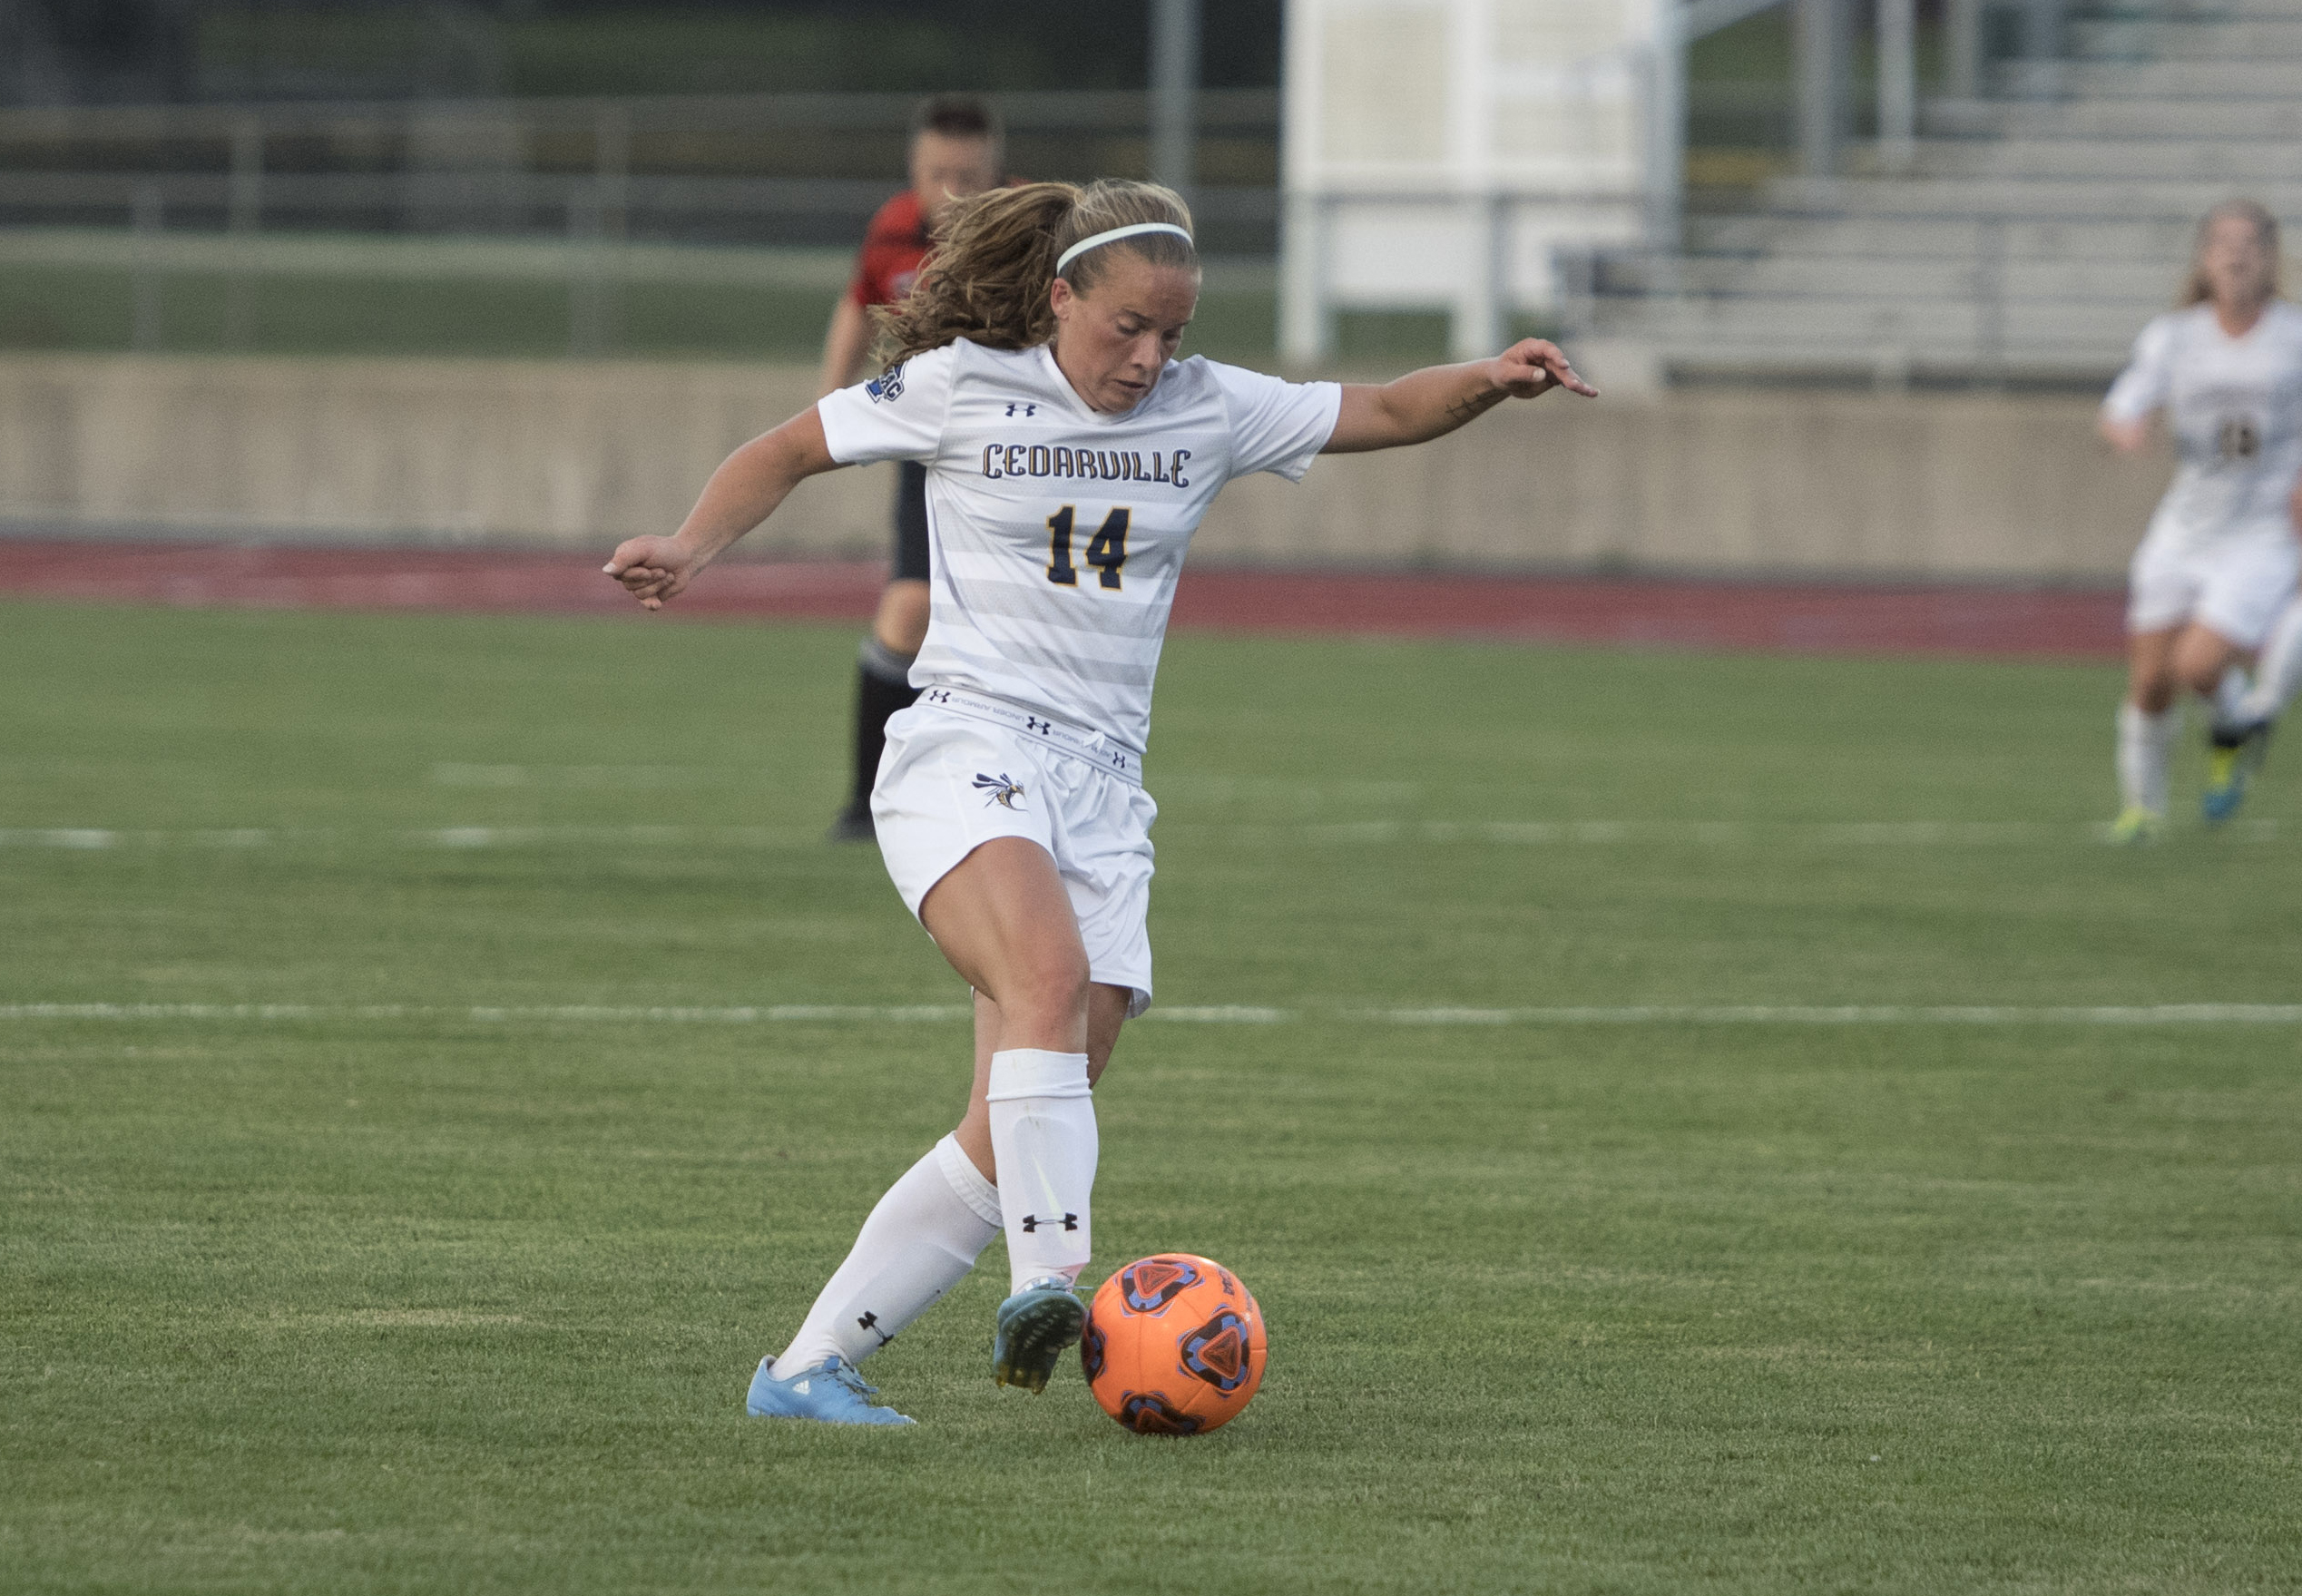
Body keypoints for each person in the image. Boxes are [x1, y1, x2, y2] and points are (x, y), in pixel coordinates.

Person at [604, 179, 1598, 1425]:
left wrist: (1490, 378)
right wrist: (690, 545)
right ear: (1061, 296)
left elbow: (1389, 407)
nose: (1149, 357)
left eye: (1171, 332)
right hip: (966, 744)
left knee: (1022, 1106)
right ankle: (1048, 1280)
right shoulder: (964, 383)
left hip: (1105, 788)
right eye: (1128, 326)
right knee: (1047, 976)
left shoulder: (1206, 405)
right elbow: (789, 448)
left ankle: (805, 1370)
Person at [823, 95, 1006, 842]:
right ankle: (866, 803)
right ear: (914, 169)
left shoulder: (1026, 233)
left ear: (996, 170)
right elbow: (859, 303)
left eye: (970, 176)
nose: (954, 193)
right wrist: (831, 409)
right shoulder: (893, 227)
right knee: (907, 609)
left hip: (1017, 457)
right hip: (930, 451)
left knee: (1010, 627)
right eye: (938, 175)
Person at [2100, 199, 2302, 839]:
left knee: (2197, 664)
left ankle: (2237, 728)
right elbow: (2124, 401)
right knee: (2150, 681)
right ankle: (2142, 811)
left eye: (2249, 244)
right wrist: (2125, 426)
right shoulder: (2174, 336)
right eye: (2223, 244)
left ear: (2270, 257)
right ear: (2203, 258)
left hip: (2261, 534)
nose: (2236, 256)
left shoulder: (2293, 337)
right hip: (2183, 529)